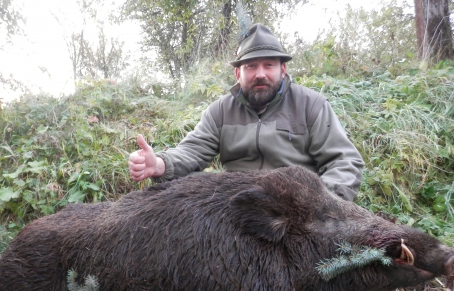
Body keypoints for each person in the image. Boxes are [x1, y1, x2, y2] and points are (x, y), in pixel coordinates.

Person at [128, 23, 364, 201]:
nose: (260, 74)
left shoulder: (311, 105)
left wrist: (324, 203)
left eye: (268, 65)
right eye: (251, 66)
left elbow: (344, 161)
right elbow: (193, 150)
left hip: (299, 203)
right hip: (239, 204)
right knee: (188, 188)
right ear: (238, 74)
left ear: (282, 69)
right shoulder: (220, 111)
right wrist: (159, 164)